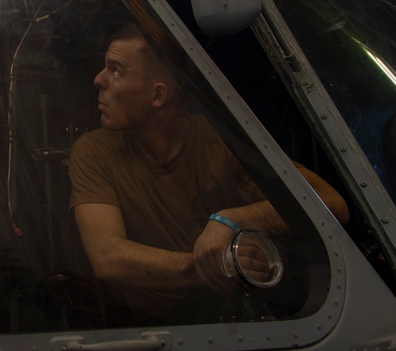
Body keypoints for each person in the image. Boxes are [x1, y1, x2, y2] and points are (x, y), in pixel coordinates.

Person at [68, 23, 349, 325]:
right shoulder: (92, 151)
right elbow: (108, 258)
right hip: (150, 329)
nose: (98, 79)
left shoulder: (220, 139)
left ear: (157, 96)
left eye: (116, 70)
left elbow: (332, 204)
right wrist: (219, 264)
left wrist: (231, 220)